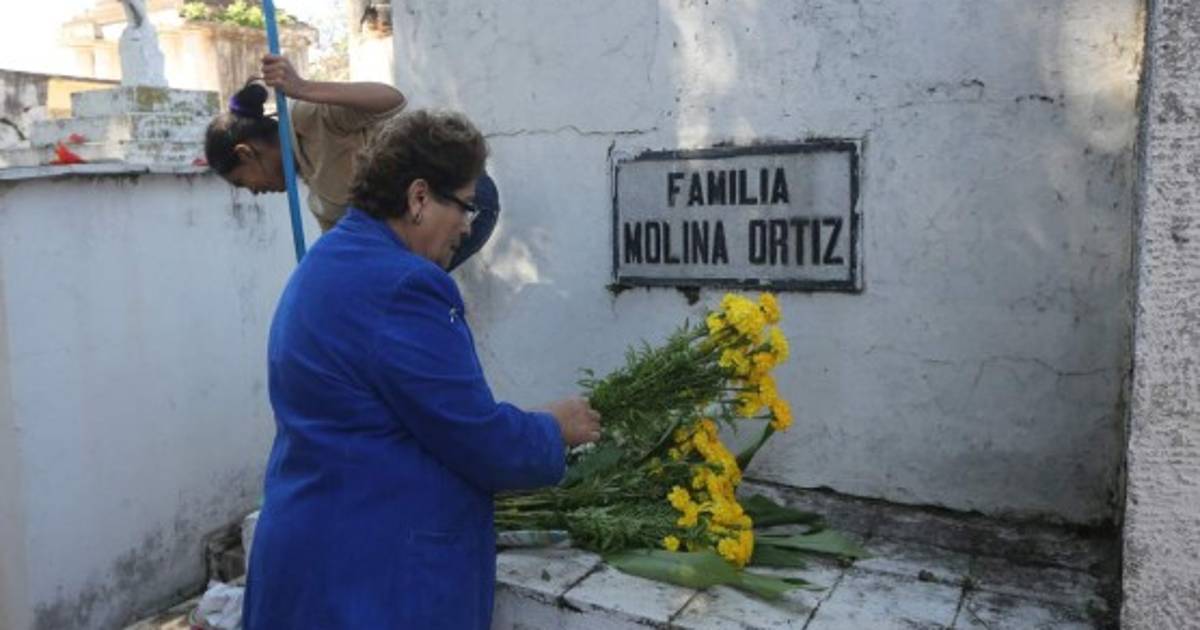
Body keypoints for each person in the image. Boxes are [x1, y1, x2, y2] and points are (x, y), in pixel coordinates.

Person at [242, 109, 601, 629]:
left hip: (316, 550)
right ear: (418, 198)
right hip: (370, 577)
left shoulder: (332, 257)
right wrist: (554, 428)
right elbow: (478, 440)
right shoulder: (404, 286)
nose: (467, 226)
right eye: (465, 206)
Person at [203, 55, 499, 269]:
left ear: (246, 153)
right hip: (420, 223)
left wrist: (303, 87)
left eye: (243, 182)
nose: (255, 192)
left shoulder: (308, 118)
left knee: (403, 291)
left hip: (461, 197)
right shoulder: (315, 193)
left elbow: (391, 99)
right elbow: (344, 250)